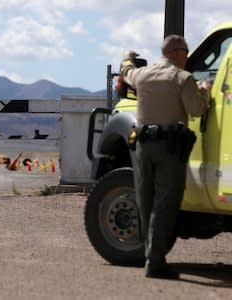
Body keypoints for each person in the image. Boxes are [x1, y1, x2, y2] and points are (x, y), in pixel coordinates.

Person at [120, 35, 210, 279]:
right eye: (187, 52)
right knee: (164, 204)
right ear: (178, 53)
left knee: (145, 201)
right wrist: (204, 91)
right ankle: (155, 263)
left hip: (143, 145)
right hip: (169, 148)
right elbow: (196, 109)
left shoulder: (143, 75)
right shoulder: (183, 78)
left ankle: (149, 257)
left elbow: (127, 71)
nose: (188, 56)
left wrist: (128, 57)